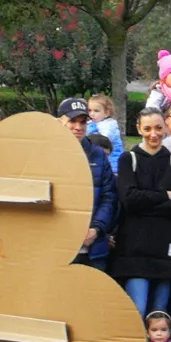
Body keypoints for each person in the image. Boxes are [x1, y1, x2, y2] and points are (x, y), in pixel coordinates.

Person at [112, 109, 171, 318]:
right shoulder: (128, 159)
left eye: (157, 128)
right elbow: (128, 200)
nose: (153, 134)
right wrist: (165, 195)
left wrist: (144, 203)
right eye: (147, 128)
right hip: (135, 250)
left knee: (160, 316)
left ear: (165, 127)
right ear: (138, 129)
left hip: (166, 250)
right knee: (136, 312)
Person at [59, 97, 119, 271]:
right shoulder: (47, 153)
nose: (78, 127)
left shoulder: (98, 155)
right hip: (57, 246)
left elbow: (109, 197)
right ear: (59, 121)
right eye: (72, 121)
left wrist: (96, 229)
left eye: (83, 122)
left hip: (93, 250)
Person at [85, 93, 124, 173]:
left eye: (96, 111)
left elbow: (103, 141)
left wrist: (91, 130)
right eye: (89, 110)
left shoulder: (110, 125)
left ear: (106, 113)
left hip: (113, 162)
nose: (92, 114)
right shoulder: (94, 124)